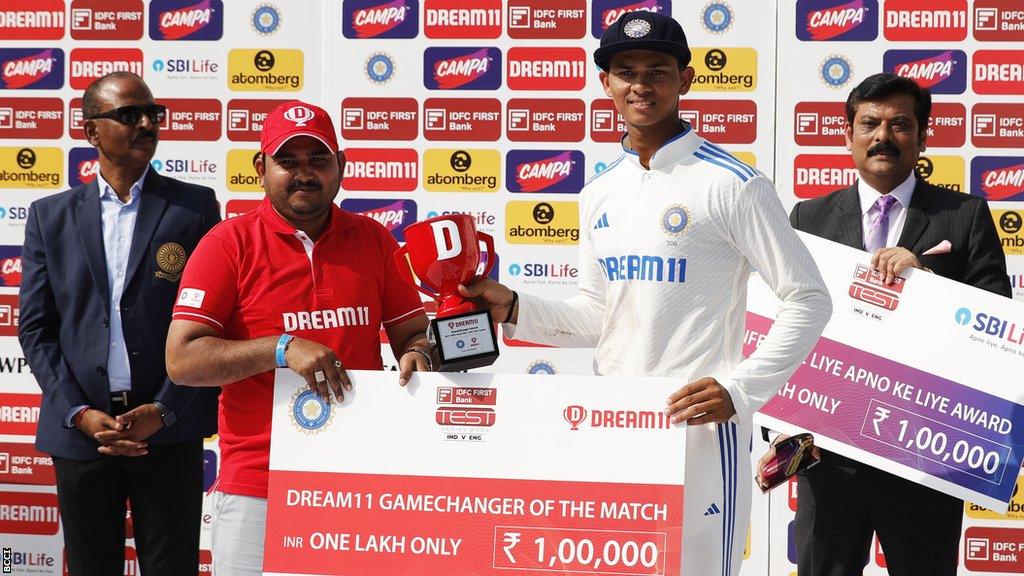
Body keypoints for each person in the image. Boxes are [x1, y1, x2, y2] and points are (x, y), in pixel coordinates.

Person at [459, 11, 832, 576]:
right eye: (625, 70)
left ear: (684, 80)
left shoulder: (734, 183)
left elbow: (808, 297)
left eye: (657, 70)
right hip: (613, 423)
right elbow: (598, 314)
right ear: (605, 82)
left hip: (701, 430)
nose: (640, 84)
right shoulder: (599, 191)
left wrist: (741, 388)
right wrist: (514, 307)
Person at [164, 100, 432, 575]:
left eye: (319, 160)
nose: (304, 174)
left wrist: (417, 353)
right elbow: (183, 360)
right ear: (260, 169)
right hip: (257, 486)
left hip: (358, 477)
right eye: (288, 161)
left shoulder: (375, 241)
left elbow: (413, 332)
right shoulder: (227, 243)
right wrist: (282, 348)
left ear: (341, 167)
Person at [776, 72, 1011, 576]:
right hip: (828, 454)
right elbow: (785, 321)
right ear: (848, 135)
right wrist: (782, 429)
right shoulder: (808, 218)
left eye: (899, 124)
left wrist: (926, 280)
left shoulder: (964, 215)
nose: (883, 136)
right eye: (870, 124)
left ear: (922, 137)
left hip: (923, 452)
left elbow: (996, 320)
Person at [18, 72, 220, 575]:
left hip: (168, 432)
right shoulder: (50, 216)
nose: (147, 124)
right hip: (81, 435)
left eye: (154, 113)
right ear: (91, 132)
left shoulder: (194, 207)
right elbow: (37, 329)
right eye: (129, 115)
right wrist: (78, 413)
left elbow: (211, 324)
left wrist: (166, 408)